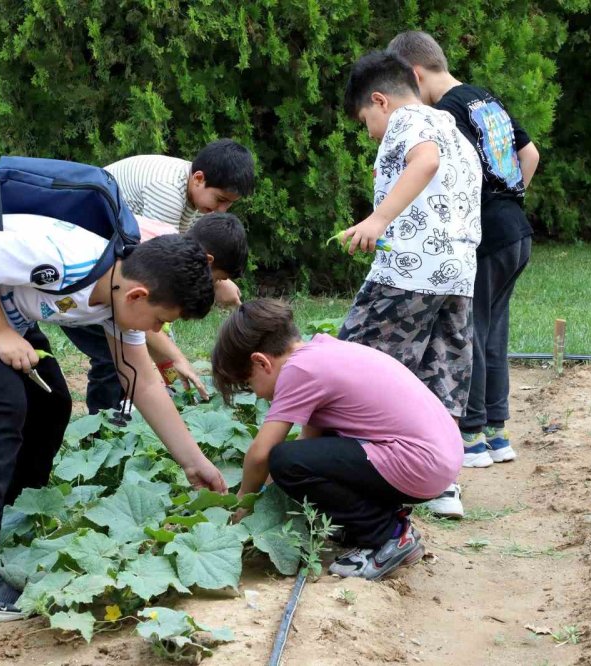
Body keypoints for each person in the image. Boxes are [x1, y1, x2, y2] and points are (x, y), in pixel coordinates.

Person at [0, 214, 226, 621]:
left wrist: (195, 463)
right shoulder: (64, 262)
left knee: (49, 403)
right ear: (138, 296)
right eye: (162, 321)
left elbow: (141, 381)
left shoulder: (118, 293)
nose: (159, 330)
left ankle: (5, 523)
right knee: (1, 408)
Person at [212, 299, 462, 580]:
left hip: (419, 465)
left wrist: (244, 502)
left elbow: (262, 454)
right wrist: (269, 503)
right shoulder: (322, 351)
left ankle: (386, 536)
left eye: (249, 384)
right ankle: (380, 519)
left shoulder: (299, 370)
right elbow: (312, 442)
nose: (256, 393)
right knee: (299, 457)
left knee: (283, 458)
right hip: (437, 460)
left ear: (261, 362)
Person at [335, 50, 482, 519]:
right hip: (457, 273)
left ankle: (351, 477)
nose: (369, 132)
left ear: (381, 101)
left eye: (365, 120)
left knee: (354, 361)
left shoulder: (407, 121)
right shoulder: (452, 127)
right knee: (443, 367)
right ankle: (442, 484)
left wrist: (378, 219)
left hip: (409, 271)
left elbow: (425, 161)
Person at [388, 31, 540, 467]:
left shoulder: (447, 112)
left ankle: (470, 436)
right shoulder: (483, 98)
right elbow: (530, 154)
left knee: (469, 330)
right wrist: (508, 201)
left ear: (414, 75)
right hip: (516, 231)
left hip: (487, 236)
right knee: (494, 331)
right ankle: (496, 431)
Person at [61, 211, 249, 414]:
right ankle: (102, 421)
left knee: (129, 353)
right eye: (217, 279)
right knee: (111, 357)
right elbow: (143, 319)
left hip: (99, 295)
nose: (214, 284)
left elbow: (151, 329)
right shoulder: (161, 260)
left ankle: (118, 410)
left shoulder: (175, 247)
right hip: (81, 287)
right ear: (207, 261)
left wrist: (174, 375)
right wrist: (177, 358)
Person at [105, 138, 255, 307]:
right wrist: (216, 283)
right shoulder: (168, 189)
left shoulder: (199, 196)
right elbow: (163, 261)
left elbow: (189, 248)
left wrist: (218, 276)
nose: (222, 210)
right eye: (220, 199)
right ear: (198, 178)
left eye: (230, 203)